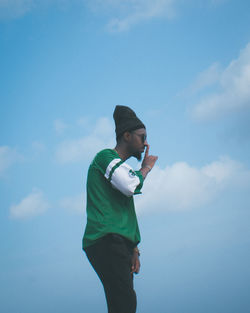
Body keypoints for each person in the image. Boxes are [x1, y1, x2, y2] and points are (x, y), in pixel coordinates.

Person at [82, 105, 158, 313]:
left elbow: (126, 211)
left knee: (122, 302)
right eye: (142, 137)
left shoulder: (122, 170)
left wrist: (134, 249)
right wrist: (146, 167)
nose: (145, 143)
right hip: (105, 240)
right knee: (124, 302)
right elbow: (129, 185)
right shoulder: (105, 158)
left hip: (117, 243)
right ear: (126, 135)